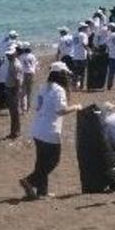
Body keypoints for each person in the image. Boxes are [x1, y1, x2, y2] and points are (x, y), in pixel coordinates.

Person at [20, 62, 82, 199]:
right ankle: (29, 180)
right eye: (65, 74)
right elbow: (61, 110)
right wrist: (76, 107)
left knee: (41, 161)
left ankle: (42, 191)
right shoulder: (59, 90)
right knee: (54, 160)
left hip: (38, 129)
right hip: (50, 130)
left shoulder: (43, 87)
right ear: (61, 75)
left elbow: (36, 106)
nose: (67, 77)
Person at [4, 45, 24, 138]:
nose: (8, 56)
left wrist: (16, 92)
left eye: (10, 54)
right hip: (10, 89)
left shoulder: (16, 65)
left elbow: (18, 81)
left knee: (14, 112)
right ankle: (14, 131)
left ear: (15, 54)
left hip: (13, 90)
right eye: (7, 54)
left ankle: (16, 132)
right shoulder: (12, 62)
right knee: (12, 112)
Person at [19, 43, 38, 113]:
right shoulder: (33, 56)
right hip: (31, 74)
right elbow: (35, 65)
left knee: (23, 92)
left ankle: (23, 108)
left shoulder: (21, 56)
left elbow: (20, 66)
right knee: (29, 92)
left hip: (24, 74)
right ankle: (28, 108)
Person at [71, 23, 89, 90]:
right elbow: (84, 44)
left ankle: (74, 86)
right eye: (85, 27)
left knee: (76, 72)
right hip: (82, 55)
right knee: (82, 72)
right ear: (82, 28)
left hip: (75, 55)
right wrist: (89, 51)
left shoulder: (74, 35)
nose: (86, 29)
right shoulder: (84, 35)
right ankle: (81, 86)